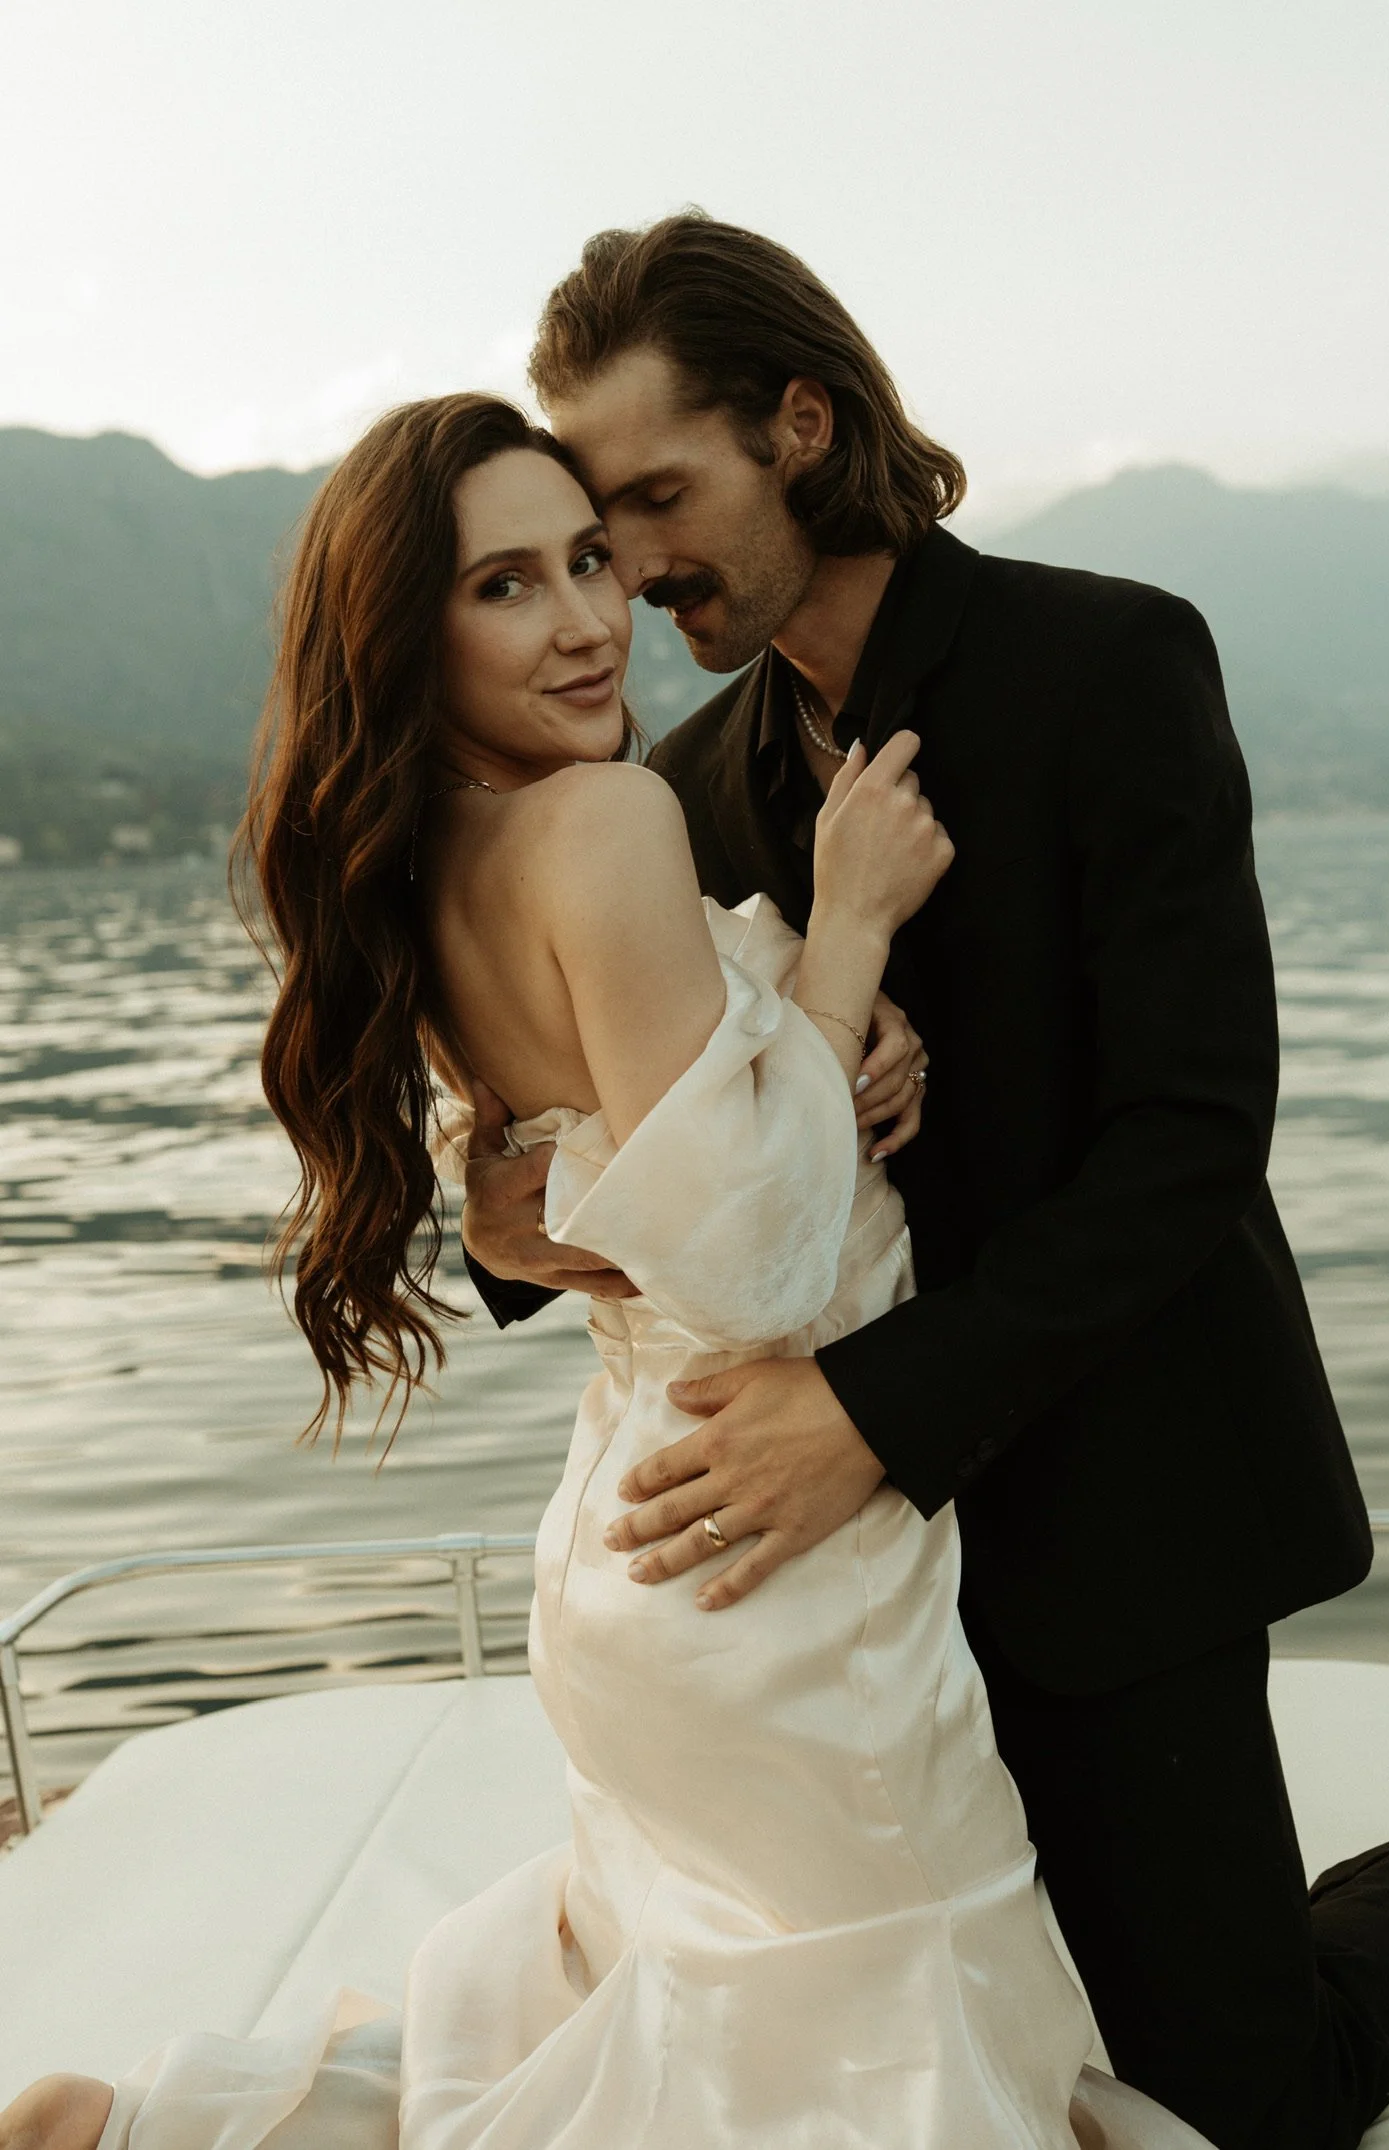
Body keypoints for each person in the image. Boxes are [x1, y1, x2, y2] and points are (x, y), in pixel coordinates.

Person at [0, 396, 1225, 2150]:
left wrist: (811, 1045)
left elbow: (601, 1164)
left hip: (634, 1523)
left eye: (590, 558)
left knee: (718, 2015)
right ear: (408, 634)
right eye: (506, 584)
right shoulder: (607, 820)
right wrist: (845, 940)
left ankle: (169, 2130)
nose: (589, 618)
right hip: (768, 1554)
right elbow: (755, 1262)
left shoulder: (437, 863)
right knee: (885, 2035)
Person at [455, 215, 1389, 2150]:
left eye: (660, 497)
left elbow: (1193, 1135)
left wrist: (871, 1412)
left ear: (801, 424)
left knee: (1238, 2108)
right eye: (601, 524)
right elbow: (644, 1147)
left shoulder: (1112, 659)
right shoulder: (679, 787)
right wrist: (504, 1219)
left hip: (1118, 1514)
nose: (634, 565)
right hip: (835, 1610)